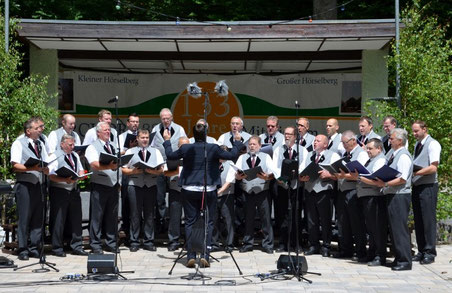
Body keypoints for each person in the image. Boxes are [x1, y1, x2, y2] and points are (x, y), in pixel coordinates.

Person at [163, 123, 243, 268]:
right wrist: (237, 141)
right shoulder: (213, 147)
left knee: (189, 222)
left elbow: (170, 155)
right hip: (208, 189)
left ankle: (191, 256)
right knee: (209, 221)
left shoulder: (186, 148)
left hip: (189, 189)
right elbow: (232, 155)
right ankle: (205, 254)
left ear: (193, 135)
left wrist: (167, 140)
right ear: (206, 134)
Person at [373, 128, 413, 271]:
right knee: (394, 229)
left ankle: (405, 261)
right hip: (393, 194)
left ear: (400, 141)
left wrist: (385, 183)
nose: (389, 141)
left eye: (392, 139)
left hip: (400, 195)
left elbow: (402, 179)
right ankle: (398, 257)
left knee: (399, 228)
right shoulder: (394, 155)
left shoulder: (403, 156)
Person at [11, 117, 49, 260]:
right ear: (28, 131)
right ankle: (23, 248)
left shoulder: (40, 144)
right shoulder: (18, 143)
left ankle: (34, 247)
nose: (40, 130)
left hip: (38, 185)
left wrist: (46, 169)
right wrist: (32, 167)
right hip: (25, 185)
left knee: (38, 218)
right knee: (24, 218)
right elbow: (15, 165)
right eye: (37, 128)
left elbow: (45, 162)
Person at [122, 129, 164, 252]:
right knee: (135, 214)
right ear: (137, 139)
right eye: (142, 137)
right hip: (135, 185)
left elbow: (161, 169)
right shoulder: (130, 151)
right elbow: (123, 169)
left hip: (150, 185)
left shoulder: (155, 151)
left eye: (146, 137)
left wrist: (153, 171)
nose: (145, 140)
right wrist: (133, 171)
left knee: (149, 214)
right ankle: (134, 241)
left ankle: (148, 241)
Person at [300, 134, 340, 257]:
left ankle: (326, 246)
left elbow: (338, 174)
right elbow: (301, 170)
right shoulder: (309, 155)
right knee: (312, 220)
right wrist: (303, 177)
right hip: (310, 190)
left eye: (318, 141)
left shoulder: (333, 155)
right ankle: (314, 245)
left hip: (324, 192)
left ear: (325, 144)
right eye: (314, 141)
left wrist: (329, 175)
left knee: (326, 220)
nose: (315, 142)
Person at [48, 134, 88, 257]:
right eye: (70, 144)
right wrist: (64, 179)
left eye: (73, 144)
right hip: (60, 190)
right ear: (62, 144)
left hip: (73, 190)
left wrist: (80, 174)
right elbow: (51, 175)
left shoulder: (75, 155)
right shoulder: (55, 156)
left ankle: (76, 245)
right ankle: (57, 247)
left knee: (76, 219)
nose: (72, 147)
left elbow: (80, 169)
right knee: (59, 220)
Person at [235, 135, 276, 254]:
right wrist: (238, 176)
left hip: (262, 191)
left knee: (266, 218)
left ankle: (268, 244)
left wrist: (267, 176)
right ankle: (248, 243)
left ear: (259, 146)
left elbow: (273, 172)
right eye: (250, 144)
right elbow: (235, 172)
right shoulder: (242, 157)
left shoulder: (266, 157)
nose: (252, 146)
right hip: (247, 192)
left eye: (254, 144)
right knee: (248, 218)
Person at [85, 122, 121, 254]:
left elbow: (118, 166)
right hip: (99, 185)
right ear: (98, 132)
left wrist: (119, 182)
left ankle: (111, 242)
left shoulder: (113, 146)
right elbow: (94, 164)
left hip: (113, 185)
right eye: (105, 130)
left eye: (109, 130)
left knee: (112, 216)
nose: (108, 132)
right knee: (97, 216)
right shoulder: (92, 147)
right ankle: (95, 244)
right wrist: (109, 167)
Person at [334, 130, 369, 261]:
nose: (343, 145)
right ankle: (345, 249)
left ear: (353, 141)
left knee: (356, 222)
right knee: (343, 222)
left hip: (354, 191)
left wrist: (342, 175)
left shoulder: (361, 154)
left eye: (345, 142)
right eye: (342, 143)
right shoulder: (345, 154)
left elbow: (360, 175)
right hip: (342, 190)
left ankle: (360, 251)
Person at [151, 108, 187, 232]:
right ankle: (161, 223)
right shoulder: (155, 129)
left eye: (168, 118)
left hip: (174, 166)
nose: (166, 121)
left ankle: (173, 226)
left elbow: (185, 146)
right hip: (160, 166)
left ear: (172, 118)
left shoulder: (179, 129)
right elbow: (152, 147)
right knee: (159, 197)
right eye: (163, 118)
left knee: (175, 197)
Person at [272, 126, 308, 252]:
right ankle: (283, 244)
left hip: (296, 186)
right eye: (285, 134)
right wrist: (280, 178)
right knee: (282, 216)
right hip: (282, 186)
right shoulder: (278, 149)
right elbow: (275, 166)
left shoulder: (302, 150)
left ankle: (296, 244)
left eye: (289, 134)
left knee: (296, 215)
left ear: (295, 136)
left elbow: (304, 165)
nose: (287, 136)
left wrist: (296, 175)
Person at [411, 120, 441, 265]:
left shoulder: (433, 144)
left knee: (428, 219)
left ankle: (430, 252)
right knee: (419, 219)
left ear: (424, 129)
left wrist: (416, 173)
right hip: (417, 186)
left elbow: (433, 167)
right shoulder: (417, 144)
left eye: (416, 131)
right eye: (413, 131)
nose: (414, 134)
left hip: (428, 186)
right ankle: (421, 250)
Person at [354, 138, 388, 266]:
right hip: (366, 196)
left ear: (379, 149)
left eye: (370, 148)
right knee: (371, 228)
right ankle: (372, 253)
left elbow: (376, 179)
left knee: (377, 228)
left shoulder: (380, 160)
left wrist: (359, 176)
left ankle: (380, 255)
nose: (367, 151)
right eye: (367, 148)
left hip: (374, 197)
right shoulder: (371, 160)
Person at [118, 113, 140, 245]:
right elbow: (118, 153)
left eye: (137, 122)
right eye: (132, 122)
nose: (135, 124)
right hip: (126, 172)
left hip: (140, 174)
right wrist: (129, 149)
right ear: (128, 123)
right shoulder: (121, 137)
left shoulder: (142, 135)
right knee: (126, 205)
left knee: (137, 207)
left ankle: (137, 234)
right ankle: (126, 233)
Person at [165, 137, 190, 252]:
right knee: (174, 217)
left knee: (190, 218)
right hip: (175, 189)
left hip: (190, 190)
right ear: (178, 147)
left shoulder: (194, 157)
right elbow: (165, 172)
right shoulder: (173, 157)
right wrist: (177, 171)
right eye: (182, 146)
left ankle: (189, 241)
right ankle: (173, 241)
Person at [213, 145, 238, 253]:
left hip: (226, 195)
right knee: (213, 220)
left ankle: (229, 244)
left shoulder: (231, 164)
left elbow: (229, 181)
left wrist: (219, 191)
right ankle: (214, 243)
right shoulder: (213, 164)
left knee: (228, 220)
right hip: (213, 196)